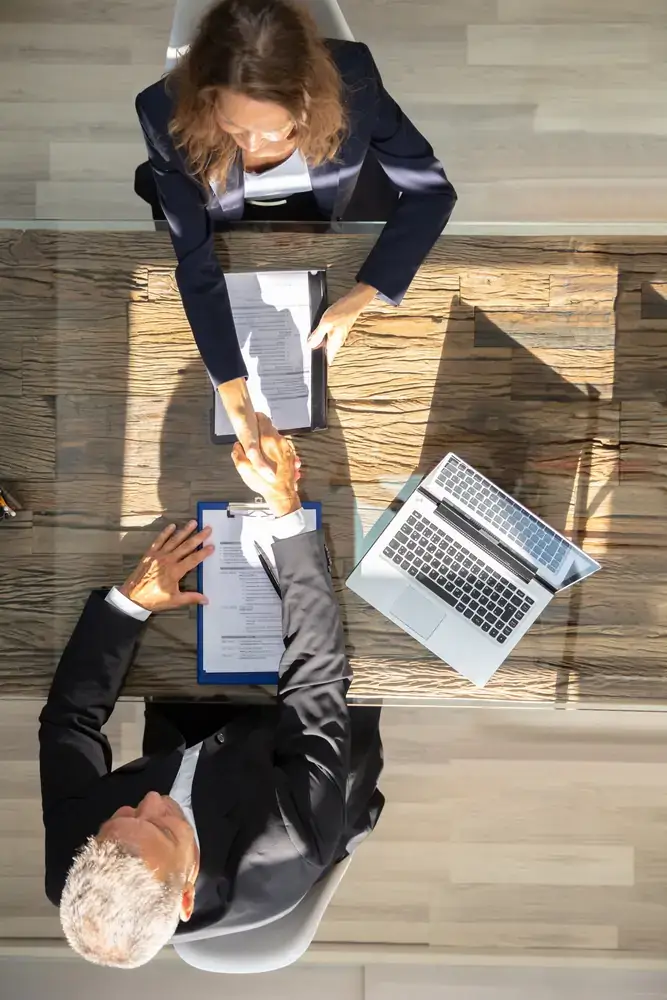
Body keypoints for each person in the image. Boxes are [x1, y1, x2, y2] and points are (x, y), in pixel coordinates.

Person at [39, 416, 384, 969]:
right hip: (302, 749)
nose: (151, 802)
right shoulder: (288, 841)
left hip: (193, 728)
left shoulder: (71, 866)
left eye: (122, 814)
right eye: (162, 827)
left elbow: (68, 724)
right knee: (355, 564)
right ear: (186, 895)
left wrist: (130, 604)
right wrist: (286, 508)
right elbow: (316, 679)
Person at [134, 0, 457, 482]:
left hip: (332, 209)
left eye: (272, 129)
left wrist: (362, 295)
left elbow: (432, 192)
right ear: (206, 98)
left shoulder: (354, 81)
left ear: (308, 101)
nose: (251, 147)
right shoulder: (161, 113)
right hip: (221, 217)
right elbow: (195, 261)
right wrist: (234, 397)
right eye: (232, 125)